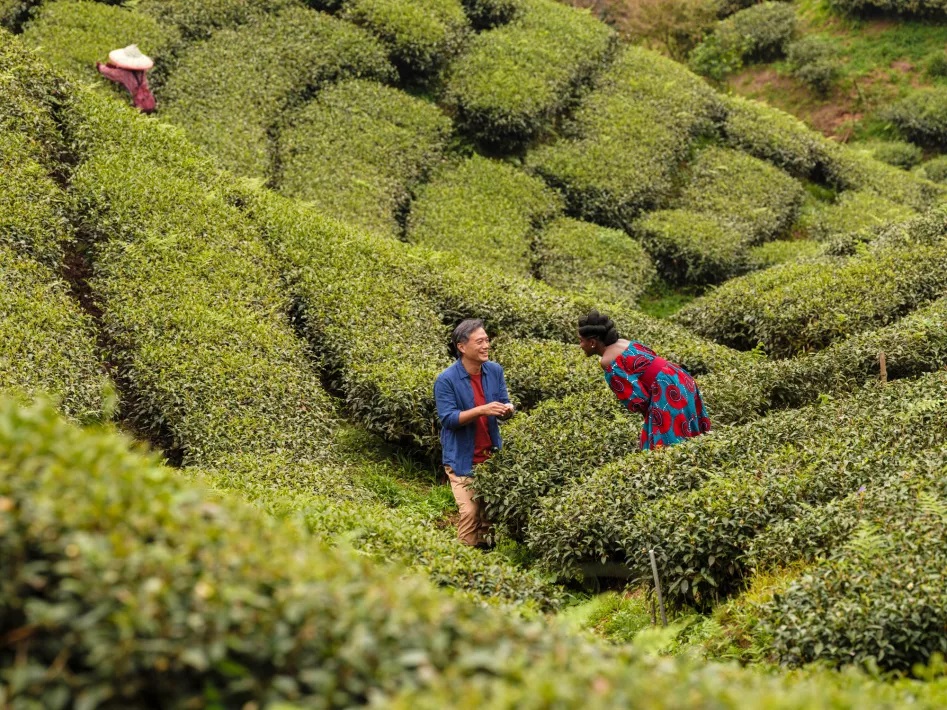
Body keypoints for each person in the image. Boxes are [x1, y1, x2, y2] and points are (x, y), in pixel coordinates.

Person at [578, 309, 710, 450]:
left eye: (581, 341)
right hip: (678, 375)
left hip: (666, 387)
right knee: (690, 434)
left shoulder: (607, 361)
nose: (580, 346)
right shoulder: (624, 342)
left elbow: (638, 399)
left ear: (592, 342)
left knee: (668, 445)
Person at [434, 319, 514, 547]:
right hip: (462, 458)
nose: (486, 345)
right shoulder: (446, 380)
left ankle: (484, 565)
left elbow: (504, 402)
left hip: (490, 456)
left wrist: (506, 410)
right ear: (462, 346)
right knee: (470, 512)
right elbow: (448, 419)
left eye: (487, 340)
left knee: (489, 518)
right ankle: (461, 563)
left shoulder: (494, 371)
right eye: (480, 341)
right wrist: (483, 409)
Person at [96, 45, 156, 114]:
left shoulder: (125, 74)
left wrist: (99, 66)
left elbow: (109, 72)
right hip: (145, 100)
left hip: (134, 102)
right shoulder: (142, 71)